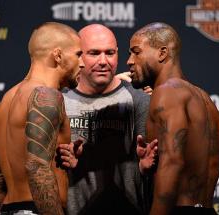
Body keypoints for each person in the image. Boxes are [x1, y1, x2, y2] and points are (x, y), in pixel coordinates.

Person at [0, 22, 84, 215]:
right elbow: (37, 168)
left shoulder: (7, 100)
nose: (83, 63)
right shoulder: (46, 96)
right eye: (78, 54)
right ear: (58, 55)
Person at [127, 22, 219, 215]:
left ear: (162, 53)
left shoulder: (167, 92)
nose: (130, 60)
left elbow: (173, 162)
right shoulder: (204, 98)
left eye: (136, 52)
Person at [61, 24, 151, 215]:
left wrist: (146, 169)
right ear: (79, 56)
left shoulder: (138, 100)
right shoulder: (60, 101)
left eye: (109, 53)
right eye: (94, 53)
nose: (103, 61)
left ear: (118, 54)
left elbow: (151, 168)